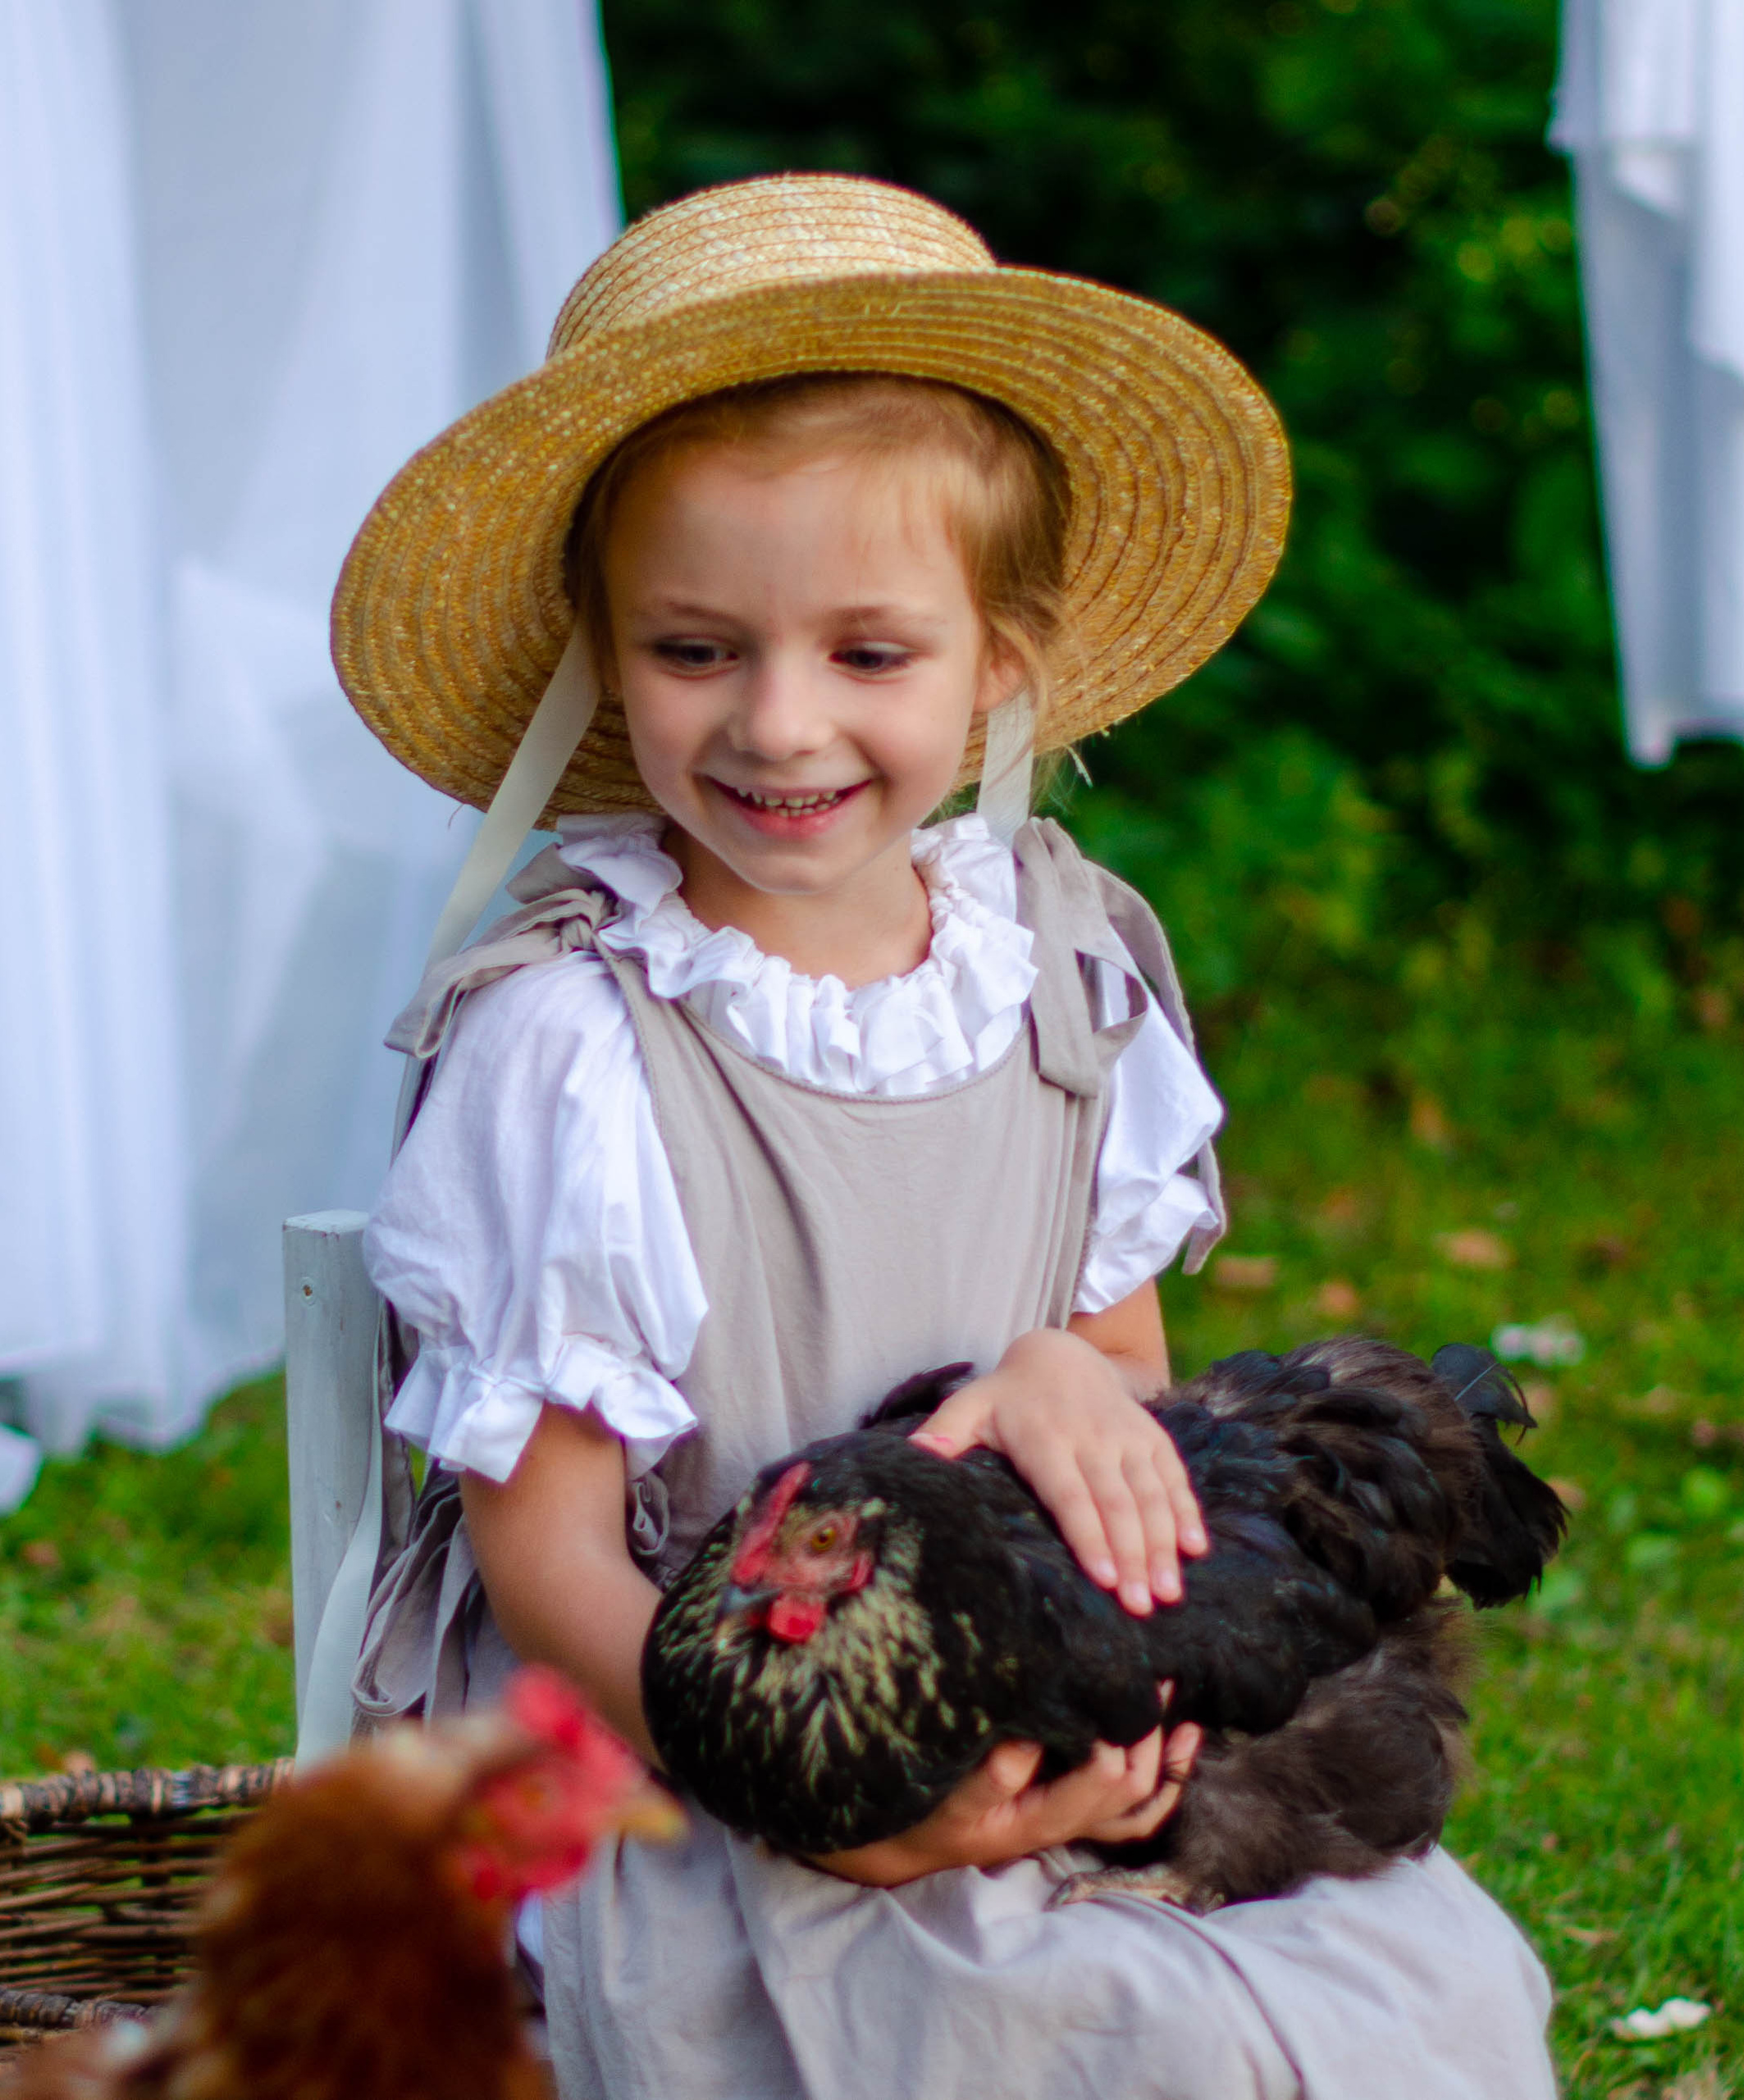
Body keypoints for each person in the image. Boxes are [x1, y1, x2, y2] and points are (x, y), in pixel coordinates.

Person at [333, 175, 1556, 2100]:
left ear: (998, 654)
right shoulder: (572, 1042)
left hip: (1020, 1684)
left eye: (868, 653)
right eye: (694, 647)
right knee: (1102, 2051)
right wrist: (835, 1797)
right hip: (691, 1753)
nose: (779, 721)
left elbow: (1131, 1398)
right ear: (600, 649)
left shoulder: (1060, 974)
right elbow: (552, 1554)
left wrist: (1067, 1383)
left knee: (1441, 2004)